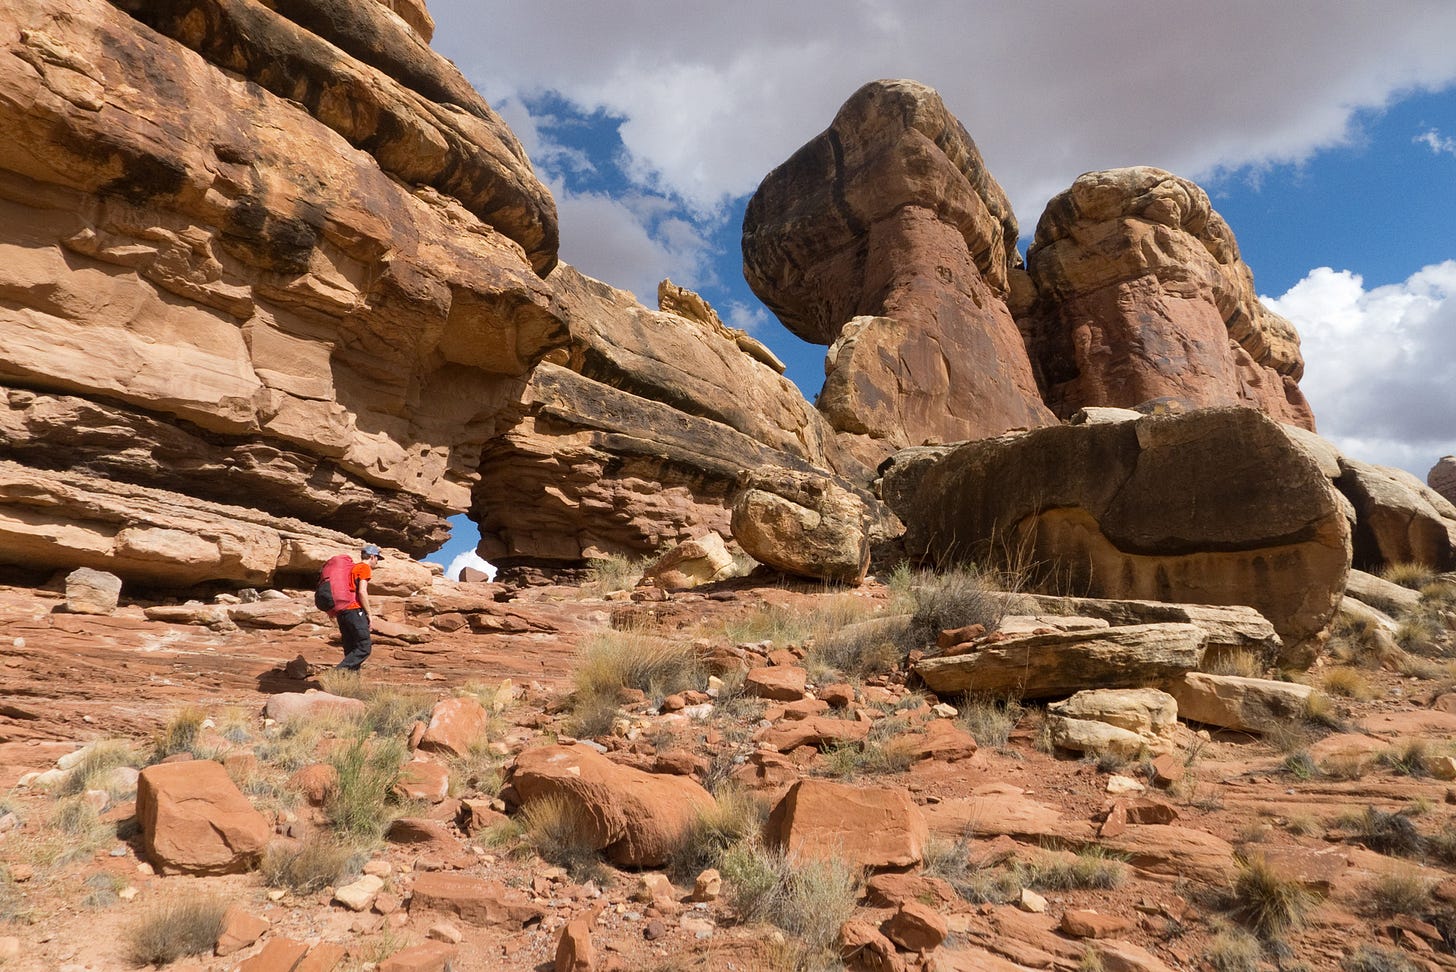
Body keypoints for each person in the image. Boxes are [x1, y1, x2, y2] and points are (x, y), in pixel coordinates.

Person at [335, 543, 381, 671]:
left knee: (351, 649)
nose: (377, 562)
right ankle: (336, 673)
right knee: (364, 648)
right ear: (372, 556)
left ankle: (350, 685)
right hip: (354, 610)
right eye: (377, 558)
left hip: (342, 612)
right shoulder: (364, 568)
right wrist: (369, 614)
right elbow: (362, 591)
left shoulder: (351, 569)